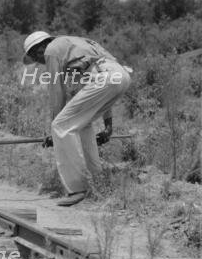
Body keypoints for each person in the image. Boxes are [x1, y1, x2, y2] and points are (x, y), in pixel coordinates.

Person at [23, 31, 132, 206]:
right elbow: (105, 82)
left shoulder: (51, 50)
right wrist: (108, 124)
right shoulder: (77, 45)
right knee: (81, 125)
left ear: (39, 48)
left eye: (36, 58)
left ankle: (77, 188)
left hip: (105, 77)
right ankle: (99, 183)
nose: (40, 62)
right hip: (121, 76)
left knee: (61, 126)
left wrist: (54, 130)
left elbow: (57, 91)